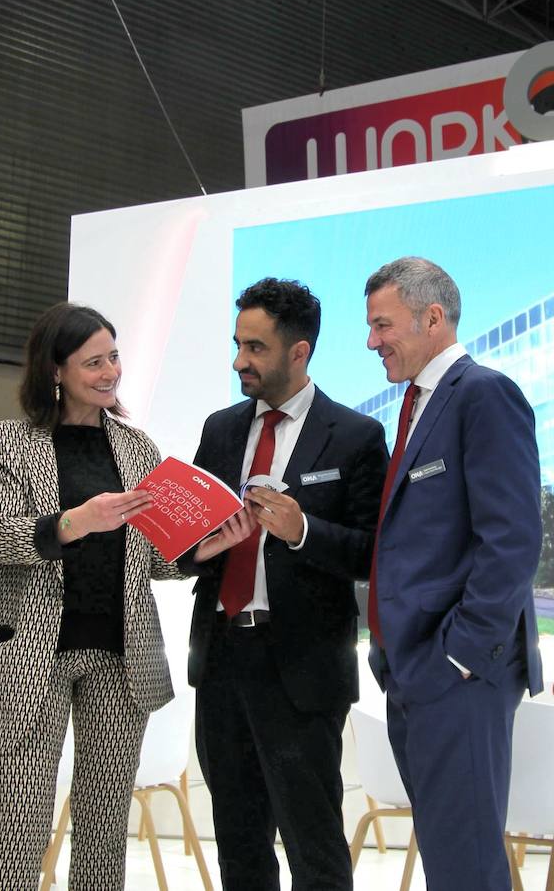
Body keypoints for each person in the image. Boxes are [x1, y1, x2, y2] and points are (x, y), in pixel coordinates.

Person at [0, 302, 254, 890]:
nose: (109, 372)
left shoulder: (136, 447)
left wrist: (202, 550)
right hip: (29, 657)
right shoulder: (8, 441)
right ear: (55, 370)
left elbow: (153, 558)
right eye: (92, 362)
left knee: (105, 826)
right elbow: (2, 540)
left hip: (120, 659)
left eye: (114, 357)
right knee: (18, 827)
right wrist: (77, 521)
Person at [177, 278, 387, 890]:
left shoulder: (354, 436)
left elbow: (373, 552)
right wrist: (194, 547)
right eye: (237, 344)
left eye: (256, 348)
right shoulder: (219, 430)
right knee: (239, 845)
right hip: (219, 662)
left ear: (300, 353)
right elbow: (188, 546)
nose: (240, 360)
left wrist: (302, 531)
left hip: (301, 671)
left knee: (313, 847)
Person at [364, 256, 543, 891]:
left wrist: (460, 657)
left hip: (457, 678)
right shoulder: (416, 408)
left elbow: (512, 541)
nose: (371, 342)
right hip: (412, 672)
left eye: (383, 325)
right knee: (451, 863)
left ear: (432, 317)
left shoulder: (484, 394)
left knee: (466, 869)